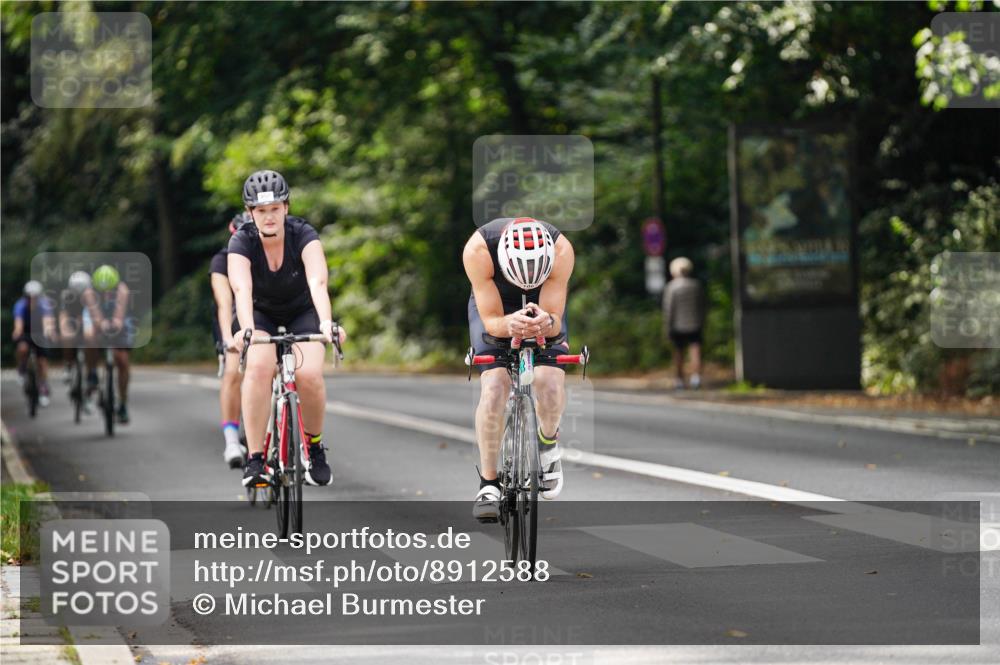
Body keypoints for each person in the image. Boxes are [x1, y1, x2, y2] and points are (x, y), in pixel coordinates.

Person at [229, 170, 346, 489]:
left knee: (308, 375)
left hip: (302, 311)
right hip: (258, 313)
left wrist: (326, 323)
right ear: (250, 213)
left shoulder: (303, 233)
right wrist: (248, 331)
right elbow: (240, 288)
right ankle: (255, 459)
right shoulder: (241, 240)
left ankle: (315, 448)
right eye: (261, 211)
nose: (269, 217)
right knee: (258, 368)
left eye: (275, 209)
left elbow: (317, 281)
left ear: (286, 208)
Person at [463, 217, 575, 522]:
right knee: (495, 386)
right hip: (496, 301)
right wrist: (506, 324)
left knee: (550, 382)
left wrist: (547, 322)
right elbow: (490, 321)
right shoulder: (478, 250)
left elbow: (554, 315)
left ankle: (547, 445)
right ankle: (489, 483)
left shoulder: (562, 249)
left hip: (544, 303)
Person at [211, 213, 250, 468]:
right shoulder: (222, 260)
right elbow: (225, 302)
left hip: (260, 315)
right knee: (233, 373)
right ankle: (231, 440)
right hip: (232, 319)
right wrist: (227, 339)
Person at [82, 264, 133, 423]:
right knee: (90, 337)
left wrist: (116, 323)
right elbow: (94, 313)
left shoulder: (122, 289)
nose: (106, 294)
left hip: (119, 322)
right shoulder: (89, 292)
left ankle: (123, 403)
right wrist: (101, 324)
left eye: (109, 290)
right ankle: (92, 373)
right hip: (100, 320)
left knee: (123, 360)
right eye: (102, 291)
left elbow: (120, 313)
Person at [58, 271, 100, 413]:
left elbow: (95, 316)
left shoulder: (92, 296)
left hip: (87, 324)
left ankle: (92, 371)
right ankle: (68, 365)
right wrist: (65, 330)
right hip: (73, 323)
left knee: (91, 338)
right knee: (67, 337)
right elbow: (63, 316)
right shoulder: (67, 296)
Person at [662, 256, 705, 389]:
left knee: (678, 354)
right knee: (695, 352)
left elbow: (668, 310)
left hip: (677, 326)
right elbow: (702, 306)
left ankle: (679, 380)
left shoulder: (671, 287)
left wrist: (667, 327)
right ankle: (696, 378)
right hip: (695, 324)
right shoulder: (696, 285)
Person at [12, 280, 57, 407]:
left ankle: (43, 386)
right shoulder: (20, 305)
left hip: (40, 332)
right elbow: (18, 323)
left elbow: (47, 321)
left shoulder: (44, 304)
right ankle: (21, 368)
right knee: (22, 348)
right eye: (29, 297)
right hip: (26, 332)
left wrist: (50, 332)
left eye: (34, 297)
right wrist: (17, 332)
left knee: (42, 361)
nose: (32, 300)